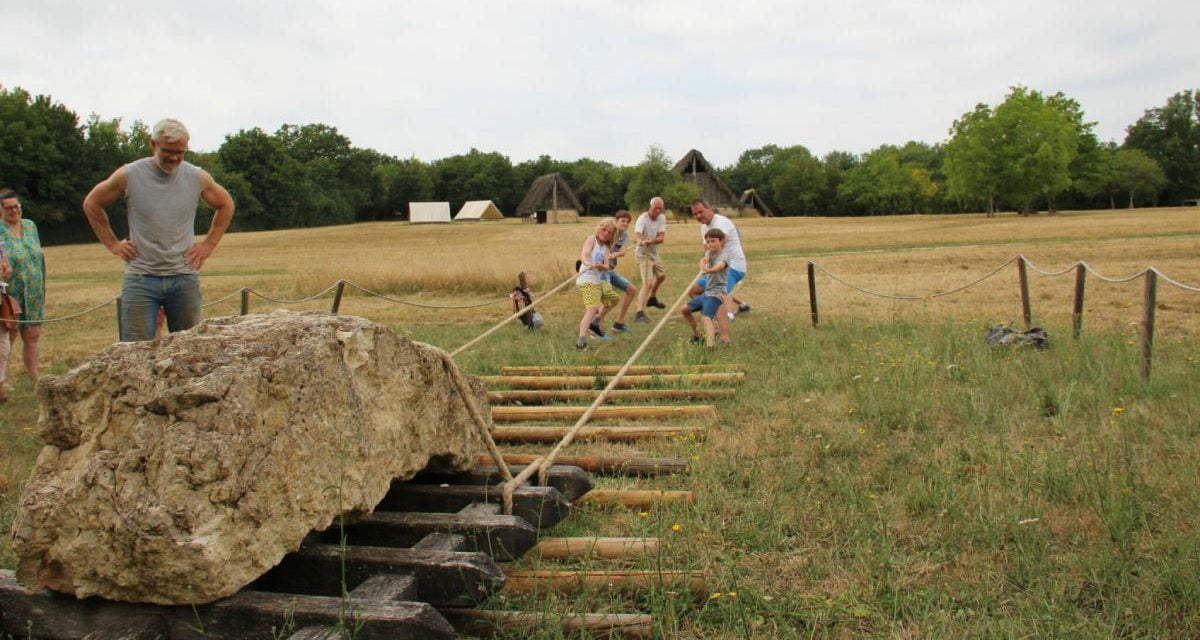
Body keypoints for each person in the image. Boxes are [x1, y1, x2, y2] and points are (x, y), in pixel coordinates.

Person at [83, 118, 235, 341]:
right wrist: (113, 244)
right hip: (141, 277)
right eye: (168, 151)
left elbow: (226, 204)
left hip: (184, 276)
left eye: (180, 152)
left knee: (188, 348)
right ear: (153, 145)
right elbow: (92, 203)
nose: (174, 157)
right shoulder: (129, 175)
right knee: (133, 351)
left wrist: (207, 245)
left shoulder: (197, 177)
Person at [0, 189, 46, 397]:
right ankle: (2, 380)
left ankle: (34, 376)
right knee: (8, 336)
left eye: (17, 206)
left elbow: (38, 256)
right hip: (10, 293)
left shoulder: (30, 226)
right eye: (8, 207)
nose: (14, 210)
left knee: (33, 335)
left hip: (34, 290)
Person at [689, 198, 750, 320]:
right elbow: (707, 249)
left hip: (733, 267)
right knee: (694, 291)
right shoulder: (704, 228)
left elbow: (718, 246)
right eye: (695, 214)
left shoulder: (722, 222)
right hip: (716, 269)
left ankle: (718, 324)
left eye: (701, 212)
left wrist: (708, 261)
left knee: (717, 296)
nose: (698, 216)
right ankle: (710, 320)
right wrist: (704, 262)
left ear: (709, 208)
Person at [575, 218, 621, 350]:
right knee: (592, 308)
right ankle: (581, 341)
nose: (606, 233)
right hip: (586, 279)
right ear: (599, 228)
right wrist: (588, 263)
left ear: (612, 236)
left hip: (597, 280)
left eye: (610, 232)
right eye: (604, 229)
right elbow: (584, 255)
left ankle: (595, 321)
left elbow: (607, 266)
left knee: (614, 299)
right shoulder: (592, 239)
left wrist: (600, 266)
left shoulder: (606, 247)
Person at [681, 228, 731, 348]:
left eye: (713, 241)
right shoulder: (709, 253)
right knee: (684, 309)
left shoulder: (725, 255)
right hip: (707, 294)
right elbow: (704, 259)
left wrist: (709, 270)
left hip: (717, 294)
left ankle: (710, 346)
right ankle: (699, 336)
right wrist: (702, 265)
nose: (710, 244)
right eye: (708, 242)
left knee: (706, 318)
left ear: (721, 241)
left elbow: (720, 266)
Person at [602, 210, 639, 333]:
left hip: (610, 270)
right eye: (623, 221)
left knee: (631, 290)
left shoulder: (625, 235)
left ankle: (619, 323)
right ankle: (595, 324)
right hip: (601, 269)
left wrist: (614, 255)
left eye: (628, 222)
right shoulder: (609, 232)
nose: (625, 224)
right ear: (616, 220)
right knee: (609, 300)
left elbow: (623, 252)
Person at [633, 196, 667, 321]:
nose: (657, 210)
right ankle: (639, 313)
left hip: (653, 253)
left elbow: (661, 238)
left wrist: (651, 240)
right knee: (647, 283)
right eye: (655, 208)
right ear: (650, 207)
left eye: (660, 208)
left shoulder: (662, 218)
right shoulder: (642, 218)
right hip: (643, 255)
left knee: (661, 276)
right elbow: (636, 236)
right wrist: (640, 241)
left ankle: (652, 299)